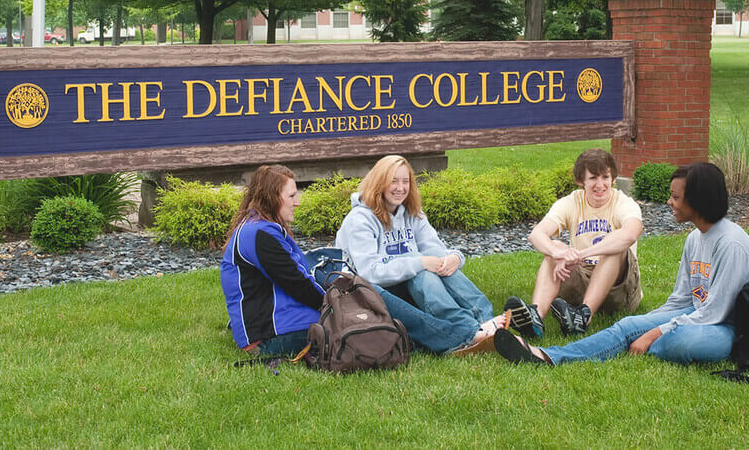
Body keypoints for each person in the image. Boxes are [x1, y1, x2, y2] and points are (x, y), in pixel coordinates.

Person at [494, 162, 749, 368]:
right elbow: (681, 299)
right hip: (697, 312)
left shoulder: (732, 244)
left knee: (682, 342)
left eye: (676, 197)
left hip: (727, 326)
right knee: (628, 325)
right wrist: (645, 324)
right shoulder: (695, 238)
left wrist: (654, 333)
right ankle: (547, 355)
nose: (669, 202)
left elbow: (716, 313)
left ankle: (643, 344)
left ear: (698, 200)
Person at [336, 155, 508, 354]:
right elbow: (370, 273)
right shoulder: (360, 220)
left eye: (405, 181)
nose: (400, 188)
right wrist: (419, 262)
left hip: (404, 282)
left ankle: (486, 319)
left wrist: (454, 258)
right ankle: (469, 328)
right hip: (371, 292)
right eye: (393, 181)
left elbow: (433, 248)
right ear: (379, 182)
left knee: (441, 265)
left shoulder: (411, 212)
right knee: (422, 271)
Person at [503, 149, 643, 339]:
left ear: (613, 179)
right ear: (580, 181)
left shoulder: (624, 203)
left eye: (605, 177)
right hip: (583, 277)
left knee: (615, 247)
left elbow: (630, 234)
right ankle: (536, 318)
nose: (600, 184)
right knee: (555, 248)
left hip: (620, 288)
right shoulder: (572, 202)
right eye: (593, 178)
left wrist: (580, 254)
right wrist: (558, 253)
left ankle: (584, 316)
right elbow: (536, 235)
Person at [221, 164, 322, 357]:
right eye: (291, 196)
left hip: (277, 327)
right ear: (271, 198)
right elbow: (297, 284)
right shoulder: (259, 235)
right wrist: (331, 304)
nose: (297, 203)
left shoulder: (258, 228)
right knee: (356, 324)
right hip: (268, 339)